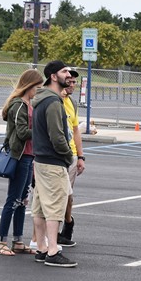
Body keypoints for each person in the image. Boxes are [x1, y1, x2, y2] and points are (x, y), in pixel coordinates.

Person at [30, 60, 77, 268]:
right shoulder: (53, 103)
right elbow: (58, 137)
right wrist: (68, 157)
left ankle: (41, 248)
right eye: (64, 71)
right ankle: (52, 251)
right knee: (55, 207)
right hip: (52, 162)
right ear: (53, 76)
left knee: (40, 207)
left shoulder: (42, 99)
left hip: (40, 160)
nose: (69, 75)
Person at [0, 69, 40, 257]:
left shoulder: (29, 104)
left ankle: (18, 241)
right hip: (20, 156)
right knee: (13, 200)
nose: (38, 90)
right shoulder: (18, 106)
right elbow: (22, 133)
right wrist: (41, 130)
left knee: (23, 201)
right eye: (37, 87)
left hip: (29, 156)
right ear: (29, 86)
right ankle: (1, 242)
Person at [58, 74, 85, 248]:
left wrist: (81, 156)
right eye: (69, 81)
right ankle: (55, 232)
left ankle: (68, 223)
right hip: (56, 155)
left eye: (75, 82)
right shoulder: (53, 101)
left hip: (72, 156)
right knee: (58, 194)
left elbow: (76, 131)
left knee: (67, 195)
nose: (72, 85)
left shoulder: (72, 103)